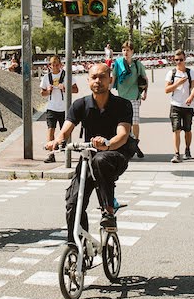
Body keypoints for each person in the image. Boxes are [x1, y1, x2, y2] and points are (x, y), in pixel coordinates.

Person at [45, 63, 134, 232]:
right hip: (88, 159)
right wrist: (57, 140)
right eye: (94, 77)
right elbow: (67, 128)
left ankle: (108, 212)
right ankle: (77, 246)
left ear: (110, 80)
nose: (98, 81)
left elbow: (122, 135)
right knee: (72, 203)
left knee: (101, 159)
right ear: (88, 80)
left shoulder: (122, 105)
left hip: (115, 156)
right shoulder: (80, 105)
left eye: (102, 77)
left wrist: (107, 144)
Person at [111, 41, 148, 159]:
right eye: (123, 50)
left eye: (128, 50)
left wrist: (145, 92)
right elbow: (114, 78)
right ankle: (124, 145)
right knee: (123, 124)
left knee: (135, 122)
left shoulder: (137, 64)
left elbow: (144, 79)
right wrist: (108, 91)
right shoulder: (118, 63)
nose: (125, 52)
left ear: (132, 51)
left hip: (134, 97)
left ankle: (135, 144)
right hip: (121, 98)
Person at [40, 55, 78, 163]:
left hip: (64, 108)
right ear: (50, 66)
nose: (55, 67)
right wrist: (48, 91)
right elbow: (42, 93)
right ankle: (51, 154)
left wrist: (65, 88)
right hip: (51, 107)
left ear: (60, 65)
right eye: (53, 65)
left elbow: (76, 89)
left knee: (65, 131)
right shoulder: (47, 77)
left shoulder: (66, 76)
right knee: (50, 130)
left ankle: (67, 154)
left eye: (57, 65)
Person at [165, 50, 194, 162]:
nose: (179, 62)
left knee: (187, 130)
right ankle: (177, 154)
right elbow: (167, 89)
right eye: (176, 60)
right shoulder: (171, 73)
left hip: (188, 106)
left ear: (185, 59)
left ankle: (187, 149)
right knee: (176, 129)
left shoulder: (191, 72)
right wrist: (177, 83)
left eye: (181, 60)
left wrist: (191, 97)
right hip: (175, 105)